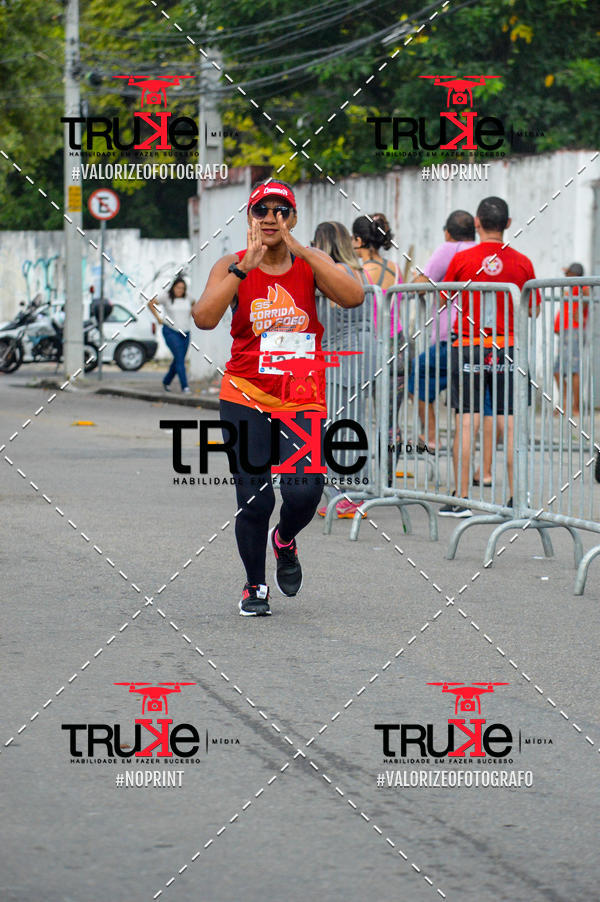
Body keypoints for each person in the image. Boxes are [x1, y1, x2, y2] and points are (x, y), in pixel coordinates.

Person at [192, 180, 363, 616]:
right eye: (261, 211)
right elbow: (205, 318)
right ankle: (254, 586)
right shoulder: (231, 265)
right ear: (250, 218)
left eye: (280, 211)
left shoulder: (311, 262)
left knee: (305, 491)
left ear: (293, 219)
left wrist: (305, 252)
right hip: (245, 394)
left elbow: (352, 297)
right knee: (255, 498)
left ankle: (284, 539)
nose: (271, 218)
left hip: (301, 398)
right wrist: (242, 269)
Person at [438, 196, 539, 517]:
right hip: (507, 348)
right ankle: (515, 499)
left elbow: (444, 299)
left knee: (466, 421)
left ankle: (462, 498)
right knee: (509, 424)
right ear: (508, 224)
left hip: (467, 346)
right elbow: (533, 308)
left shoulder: (464, 259)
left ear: (477, 223)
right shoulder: (522, 262)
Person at [311, 221, 371, 519]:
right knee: (351, 422)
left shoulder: (334, 272)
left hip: (342, 356)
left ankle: (347, 495)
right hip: (362, 352)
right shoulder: (357, 269)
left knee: (338, 425)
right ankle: (351, 492)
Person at [409, 210, 477, 449]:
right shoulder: (479, 252)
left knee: (415, 378)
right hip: (479, 339)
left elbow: (420, 284)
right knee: (472, 400)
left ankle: (430, 436)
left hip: (450, 338)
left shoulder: (448, 249)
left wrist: (416, 278)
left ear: (448, 233)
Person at [553, 262, 589, 419]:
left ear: (574, 275)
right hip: (565, 332)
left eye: (568, 274)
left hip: (573, 331)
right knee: (557, 370)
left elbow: (587, 294)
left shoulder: (580, 287)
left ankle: (575, 407)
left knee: (573, 370)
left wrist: (580, 310)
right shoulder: (572, 288)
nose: (565, 277)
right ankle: (566, 403)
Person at [148, 277, 194, 393]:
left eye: (182, 288)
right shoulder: (166, 297)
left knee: (179, 359)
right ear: (173, 287)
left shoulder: (188, 297)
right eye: (178, 288)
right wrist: (158, 318)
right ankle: (185, 387)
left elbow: (194, 304)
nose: (180, 290)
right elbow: (151, 303)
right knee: (180, 359)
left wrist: (190, 315)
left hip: (185, 332)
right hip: (171, 331)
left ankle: (166, 381)